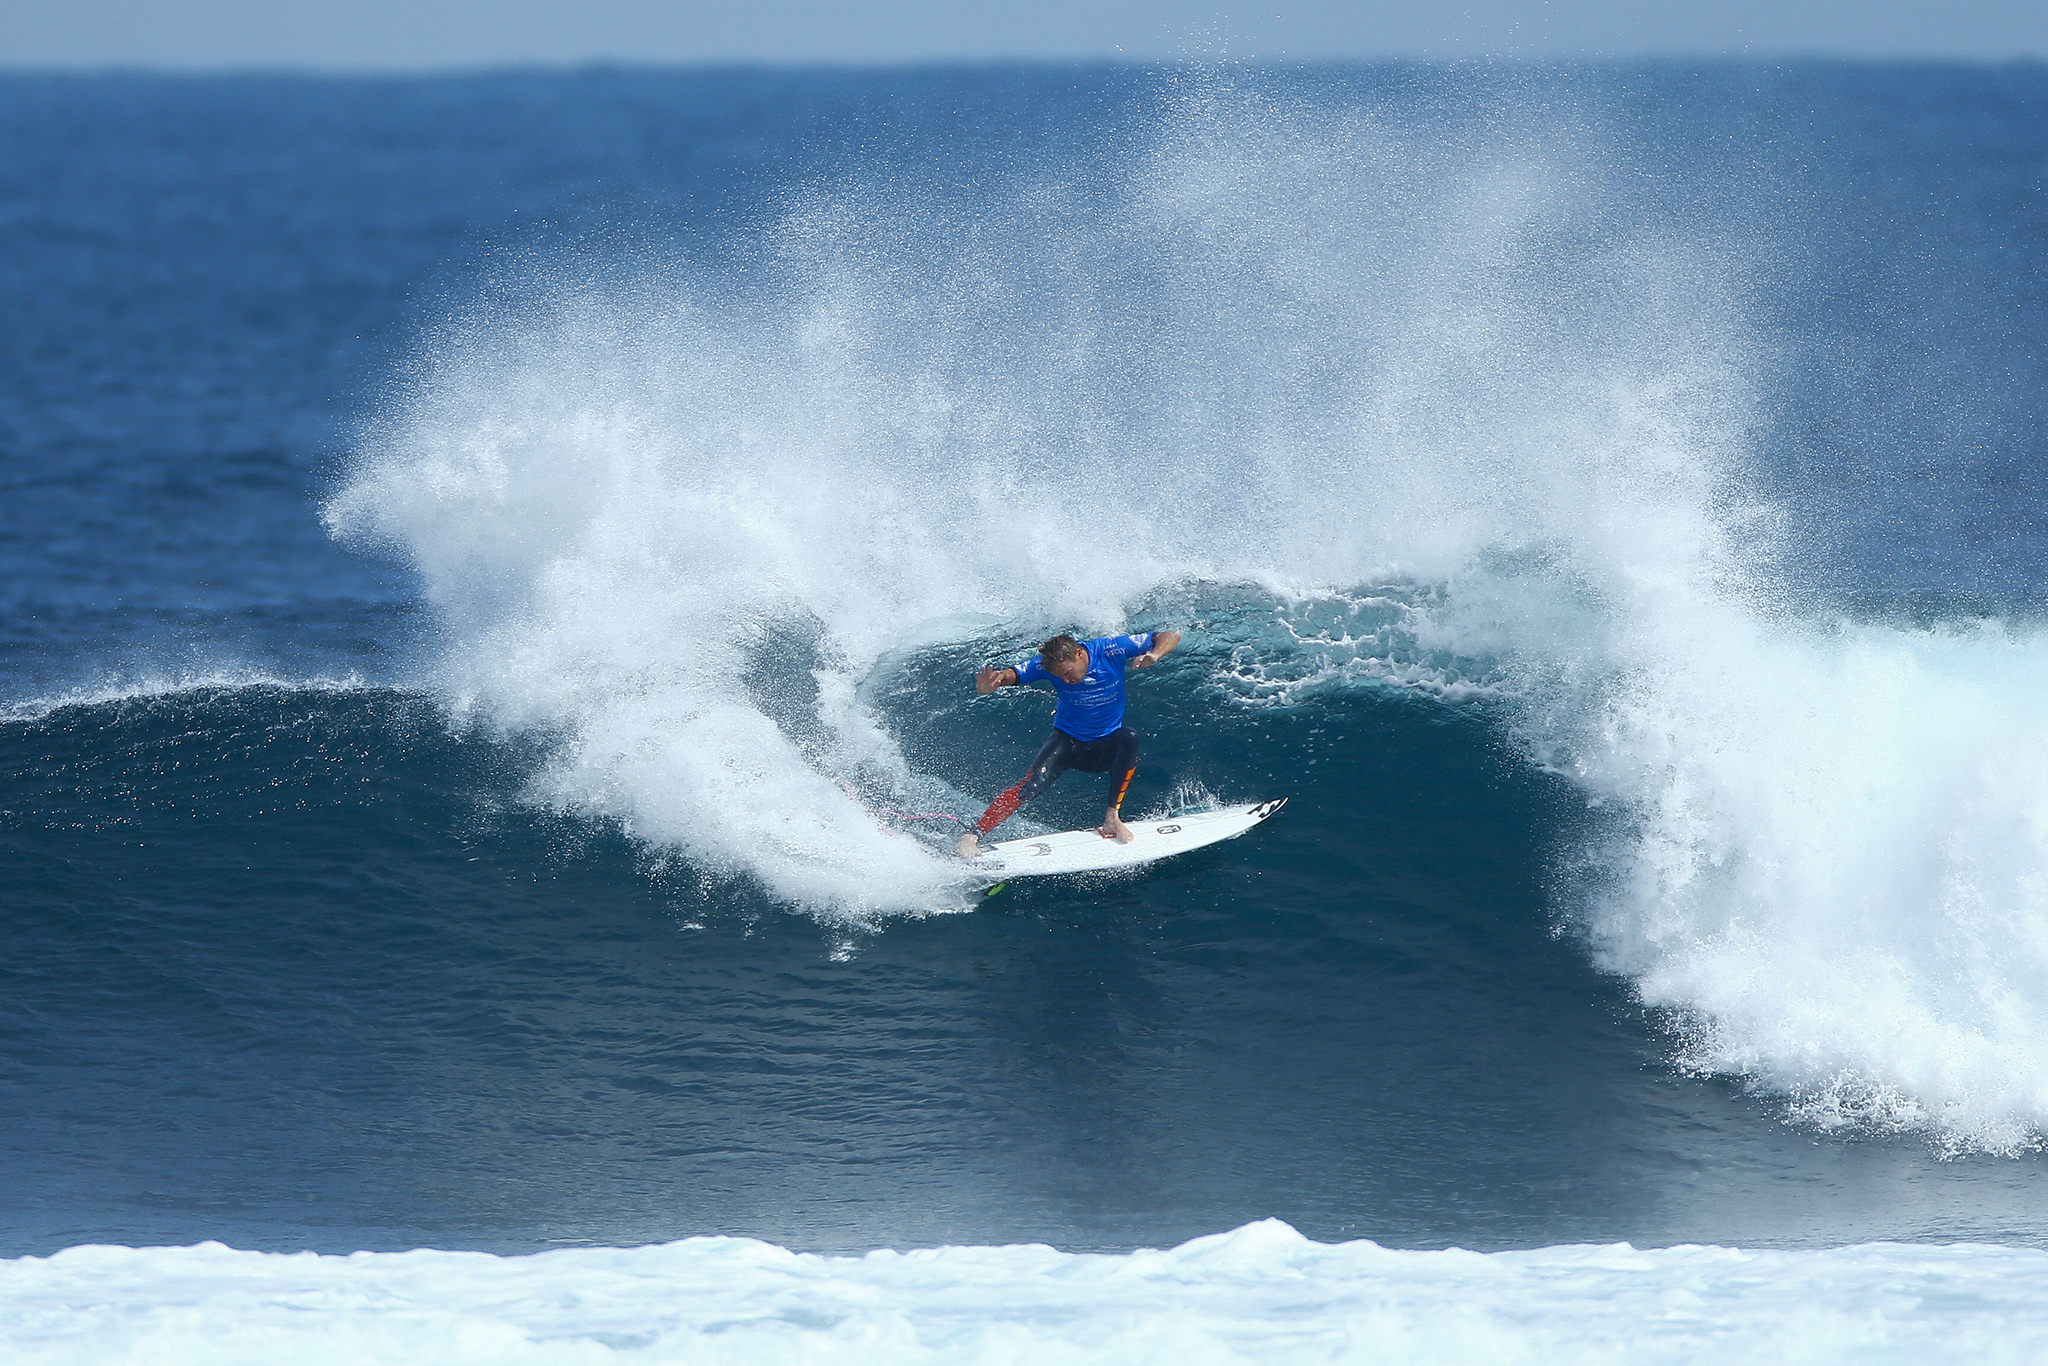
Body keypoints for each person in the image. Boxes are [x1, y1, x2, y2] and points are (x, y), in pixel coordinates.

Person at [956, 628, 1182, 859]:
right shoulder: (1046, 667)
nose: (1066, 681)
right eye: (1060, 677)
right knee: (1031, 786)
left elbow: (1169, 635)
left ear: (1079, 655)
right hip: (1068, 742)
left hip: (1105, 747)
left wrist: (1155, 654)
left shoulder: (1109, 650)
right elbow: (1009, 675)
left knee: (1129, 737)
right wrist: (989, 686)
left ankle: (1112, 819)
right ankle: (973, 834)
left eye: (1067, 673)